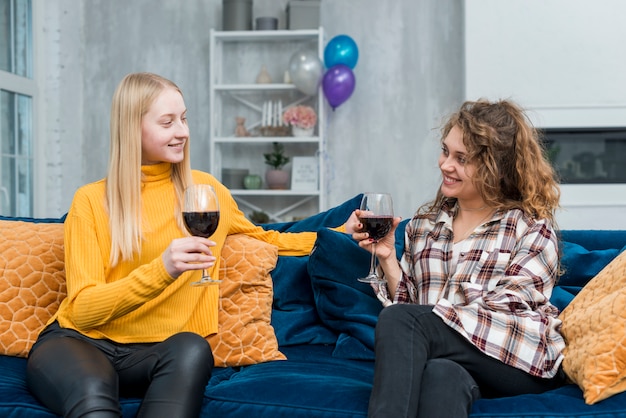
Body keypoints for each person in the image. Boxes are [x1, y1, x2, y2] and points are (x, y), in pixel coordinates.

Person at [26, 72, 356, 418]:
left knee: (193, 347)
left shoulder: (204, 192)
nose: (182, 132)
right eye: (167, 122)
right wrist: (163, 270)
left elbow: (268, 239)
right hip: (78, 343)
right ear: (131, 129)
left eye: (183, 119)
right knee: (94, 401)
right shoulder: (91, 201)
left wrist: (340, 232)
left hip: (157, 351)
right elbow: (82, 309)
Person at [351, 99, 566, 418]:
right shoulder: (424, 226)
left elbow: (508, 307)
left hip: (517, 358)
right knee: (440, 375)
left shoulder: (531, 227)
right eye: (445, 151)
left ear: (495, 167)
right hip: (454, 361)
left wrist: (430, 316)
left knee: (401, 320)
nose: (445, 164)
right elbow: (415, 310)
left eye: (461, 159)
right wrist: (387, 258)